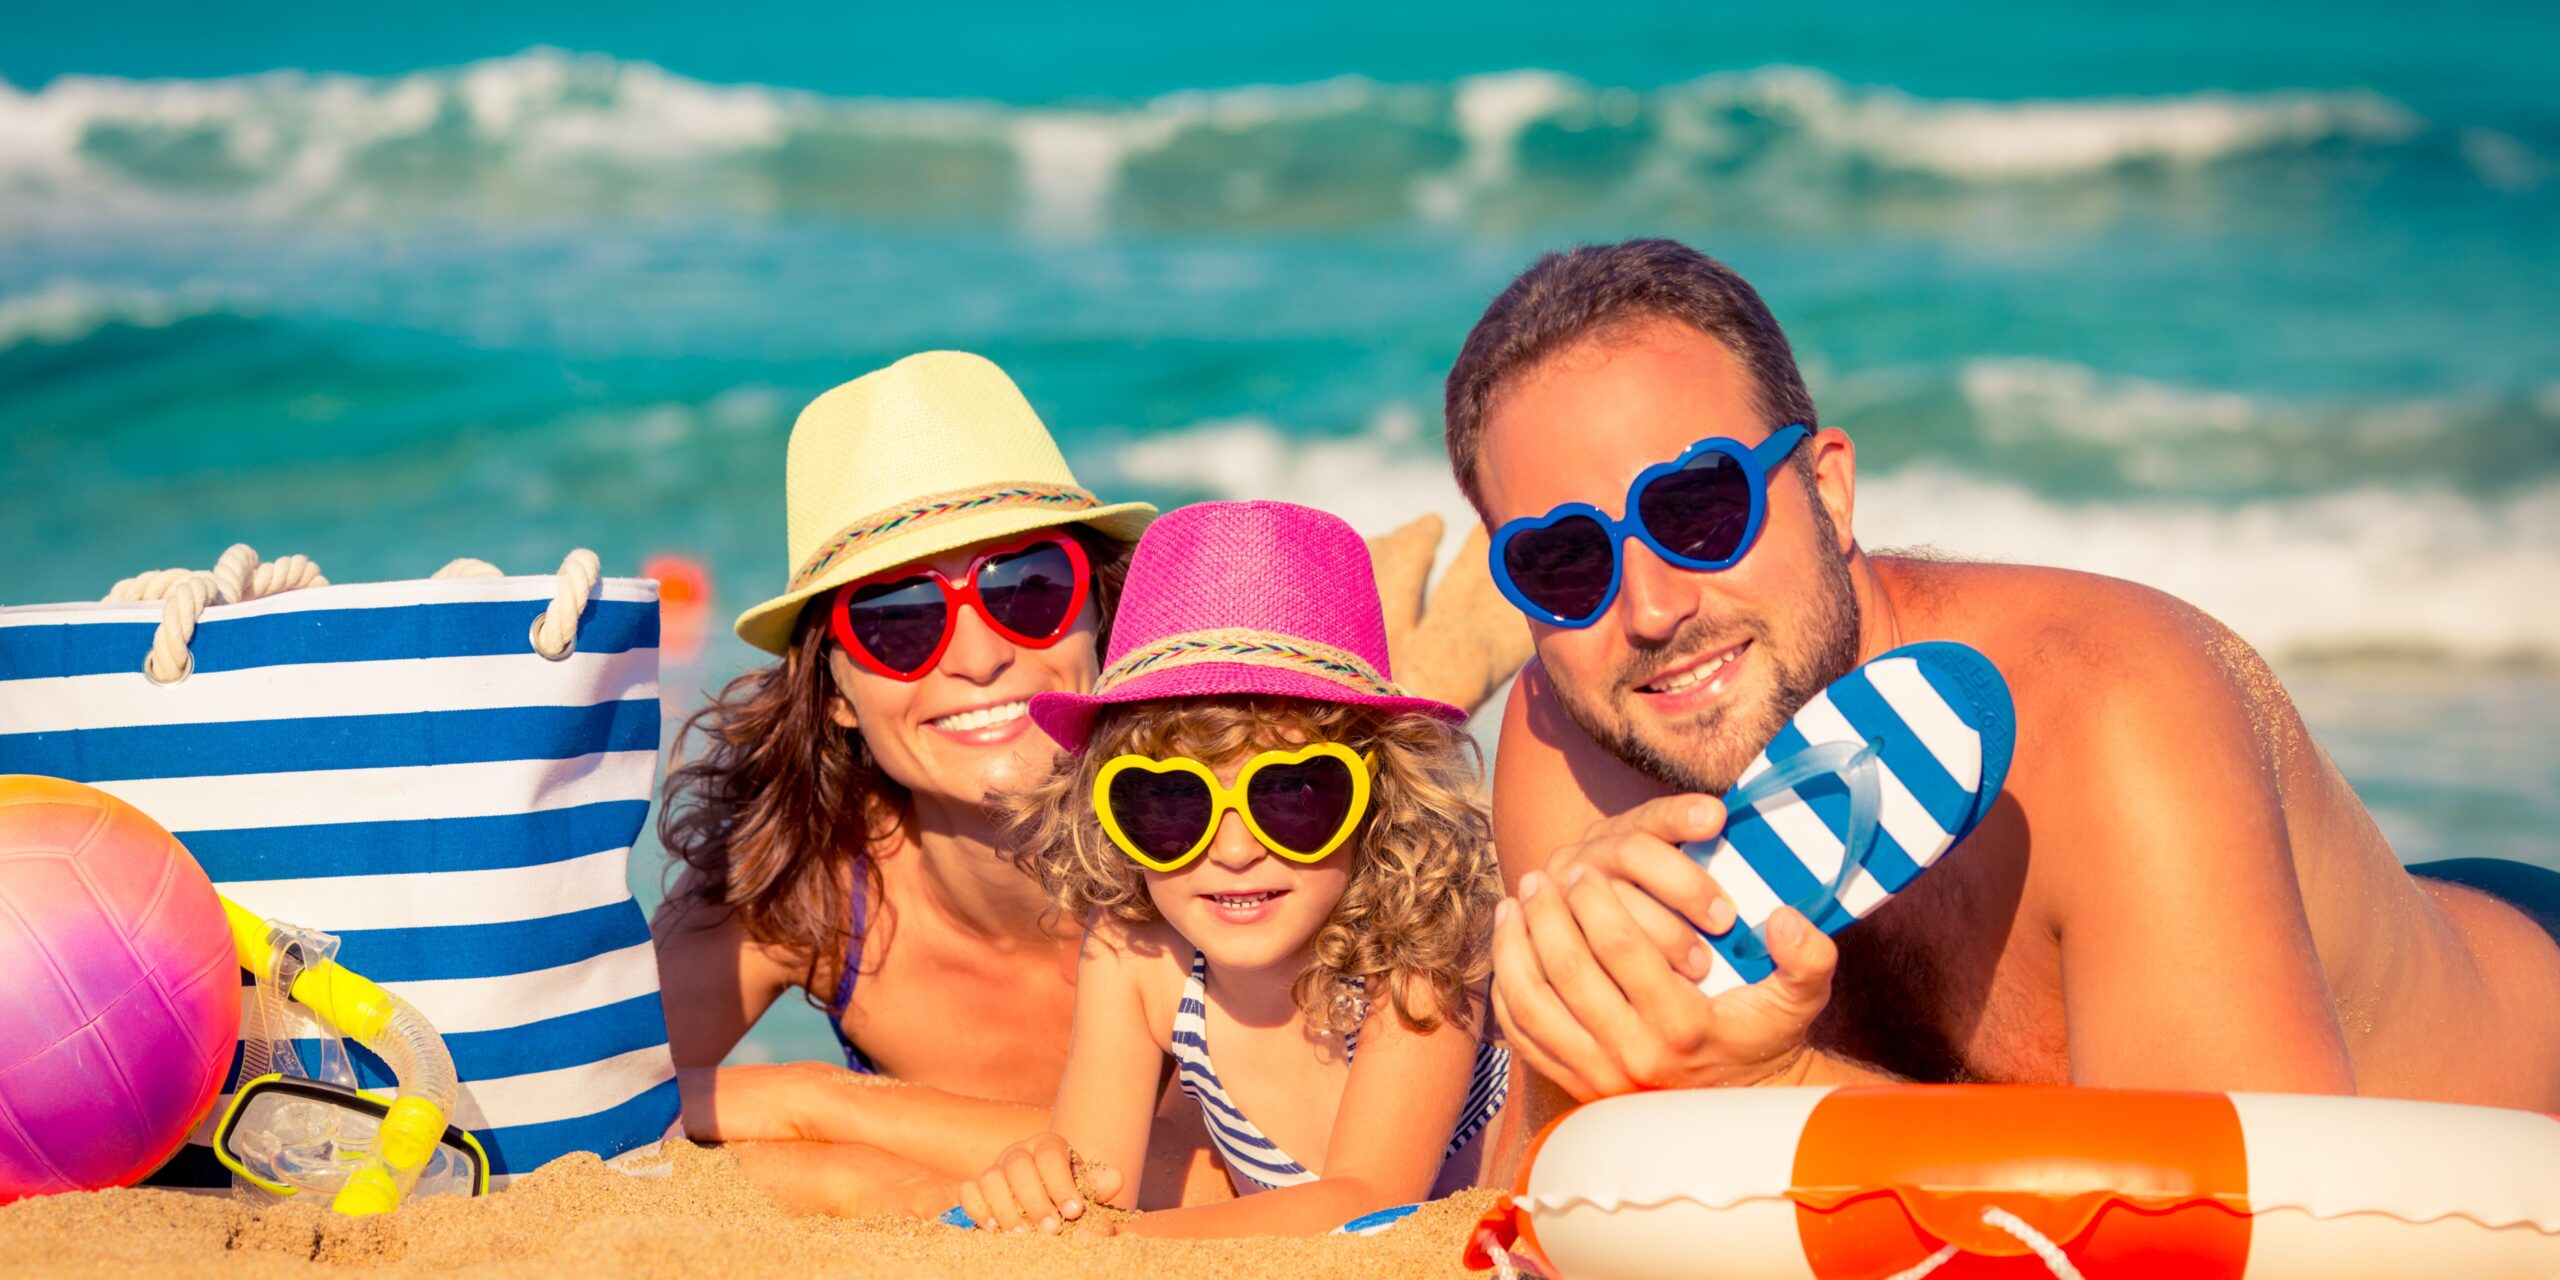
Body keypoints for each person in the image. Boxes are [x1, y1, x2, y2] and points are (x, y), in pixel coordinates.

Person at [1443, 239, 2560, 1131]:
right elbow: (1555, 1181)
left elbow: (2240, 1218)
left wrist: (1772, 1089)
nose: (1646, 608)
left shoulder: (2108, 707)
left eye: (1698, 508)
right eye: (1563, 563)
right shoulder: (1573, 737)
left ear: (1827, 490)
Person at [654, 352, 1527, 1214]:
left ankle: (1411, 689)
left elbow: (1218, 1180)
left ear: (1101, 613)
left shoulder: (1211, 884)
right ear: (832, 687)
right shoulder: (805, 893)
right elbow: (576, 1105)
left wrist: (826, 1106)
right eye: (898, 621)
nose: (981, 656)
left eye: (1027, 588)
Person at [960, 500, 1511, 1236]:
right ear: (1106, 812)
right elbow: (1092, 1188)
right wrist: (1038, 1190)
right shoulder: (1137, 952)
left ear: (1378, 798)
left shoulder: (1427, 938)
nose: (1234, 849)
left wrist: (1112, 1244)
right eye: (1169, 801)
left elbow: (1372, 1202)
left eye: (1291, 793)